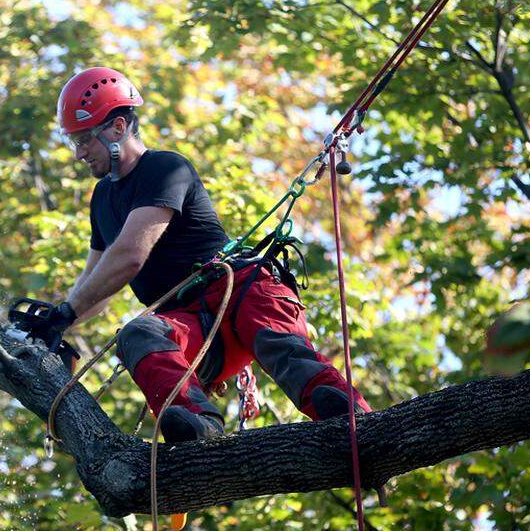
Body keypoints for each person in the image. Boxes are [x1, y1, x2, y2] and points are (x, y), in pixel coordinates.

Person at [36, 66, 371, 443]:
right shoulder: (102, 200)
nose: (79, 153)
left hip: (241, 291)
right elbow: (96, 284)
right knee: (137, 334)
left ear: (116, 128)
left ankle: (351, 417)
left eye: (84, 140)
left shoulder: (165, 168)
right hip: (194, 327)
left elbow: (130, 256)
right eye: (74, 142)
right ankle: (198, 427)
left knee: (286, 353)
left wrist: (66, 312)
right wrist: (55, 321)